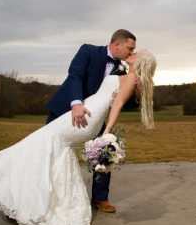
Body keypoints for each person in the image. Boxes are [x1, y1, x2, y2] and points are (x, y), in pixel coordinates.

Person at [0, 49, 157, 225]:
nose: (134, 51)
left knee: (41, 139)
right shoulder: (124, 72)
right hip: (83, 111)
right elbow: (92, 84)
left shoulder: (132, 78)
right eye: (132, 48)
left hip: (89, 117)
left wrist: (106, 133)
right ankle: (40, 198)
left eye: (138, 52)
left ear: (141, 62)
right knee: (47, 145)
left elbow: (117, 105)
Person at [46, 29, 140, 213]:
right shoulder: (88, 51)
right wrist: (76, 103)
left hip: (94, 118)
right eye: (130, 48)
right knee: (48, 151)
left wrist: (136, 91)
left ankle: (100, 198)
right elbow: (75, 76)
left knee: (106, 149)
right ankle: (48, 193)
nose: (131, 52)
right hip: (65, 110)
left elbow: (123, 103)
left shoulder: (122, 69)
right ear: (117, 44)